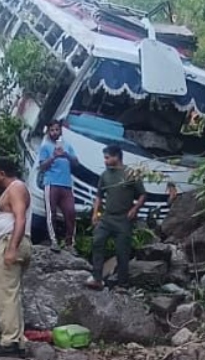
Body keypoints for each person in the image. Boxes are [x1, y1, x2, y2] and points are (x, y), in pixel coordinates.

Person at [0, 157, 32, 358]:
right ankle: (18, 341)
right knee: (11, 293)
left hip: (10, 242)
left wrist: (12, 247)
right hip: (11, 241)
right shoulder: (15, 188)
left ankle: (9, 342)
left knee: (5, 294)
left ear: (2, 173)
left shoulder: (15, 187)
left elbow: (20, 218)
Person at [85, 144, 146, 293]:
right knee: (97, 242)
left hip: (124, 219)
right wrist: (95, 213)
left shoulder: (130, 174)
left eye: (107, 158)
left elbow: (143, 195)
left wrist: (135, 208)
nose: (105, 161)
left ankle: (122, 284)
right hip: (107, 217)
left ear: (116, 157)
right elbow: (99, 196)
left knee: (122, 251)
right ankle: (97, 278)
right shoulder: (105, 175)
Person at [38, 119, 79, 253]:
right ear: (48, 132)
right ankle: (53, 241)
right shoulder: (45, 147)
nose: (55, 132)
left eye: (57, 129)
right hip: (51, 183)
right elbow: (42, 167)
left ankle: (69, 243)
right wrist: (54, 157)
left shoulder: (67, 146)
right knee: (51, 213)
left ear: (60, 130)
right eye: (52, 130)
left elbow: (76, 164)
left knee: (71, 212)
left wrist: (66, 155)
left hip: (66, 184)